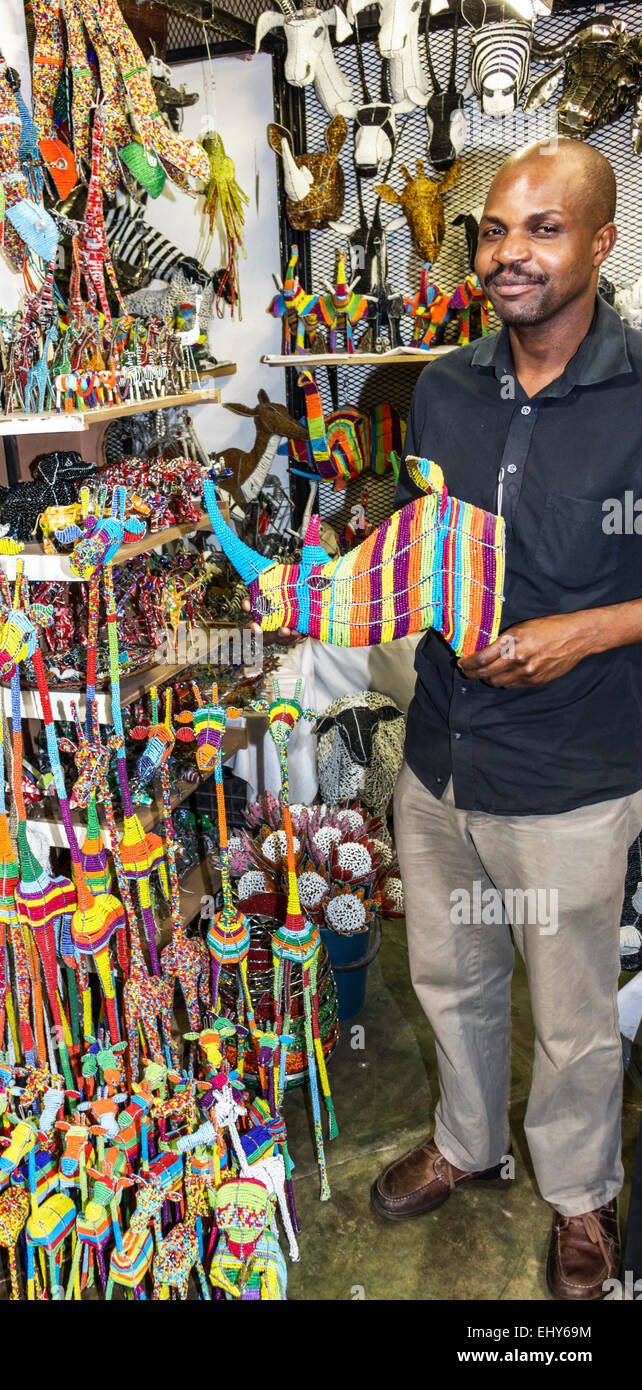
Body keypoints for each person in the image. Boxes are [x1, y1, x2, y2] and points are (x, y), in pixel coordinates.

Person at [368, 138, 642, 1301]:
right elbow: (421, 542)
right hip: (442, 753)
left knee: (573, 1017)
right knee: (448, 972)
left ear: (598, 242)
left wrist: (581, 631)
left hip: (572, 772)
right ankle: (465, 1142)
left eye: (539, 229)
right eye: (491, 230)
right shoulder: (440, 387)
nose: (505, 253)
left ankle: (580, 1197)